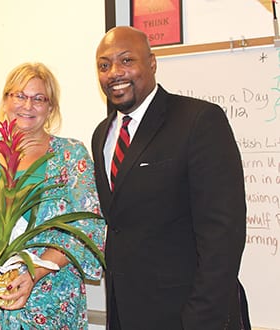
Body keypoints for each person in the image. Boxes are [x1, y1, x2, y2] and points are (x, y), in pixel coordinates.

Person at [91, 26, 250, 330]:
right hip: (127, 315)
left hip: (188, 316)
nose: (114, 72)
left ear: (152, 63)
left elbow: (223, 234)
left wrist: (200, 319)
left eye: (127, 61)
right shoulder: (102, 134)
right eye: (104, 65)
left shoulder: (199, 121)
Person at [0, 62, 105, 329]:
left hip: (47, 309)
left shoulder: (71, 156)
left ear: (51, 108)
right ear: (5, 100)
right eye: (19, 96)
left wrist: (35, 273)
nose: (28, 106)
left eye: (39, 98)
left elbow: (88, 229)